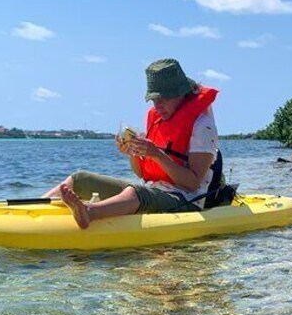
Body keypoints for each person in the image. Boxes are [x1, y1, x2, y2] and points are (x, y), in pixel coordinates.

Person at [44, 58, 219, 229]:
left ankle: (89, 212)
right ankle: (24, 207)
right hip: (153, 190)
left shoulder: (203, 126)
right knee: (80, 179)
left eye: (162, 99)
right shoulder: (159, 119)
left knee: (138, 193)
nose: (157, 106)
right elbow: (142, 174)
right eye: (153, 100)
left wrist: (157, 155)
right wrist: (132, 153)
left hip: (187, 200)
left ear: (179, 94)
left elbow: (193, 183)